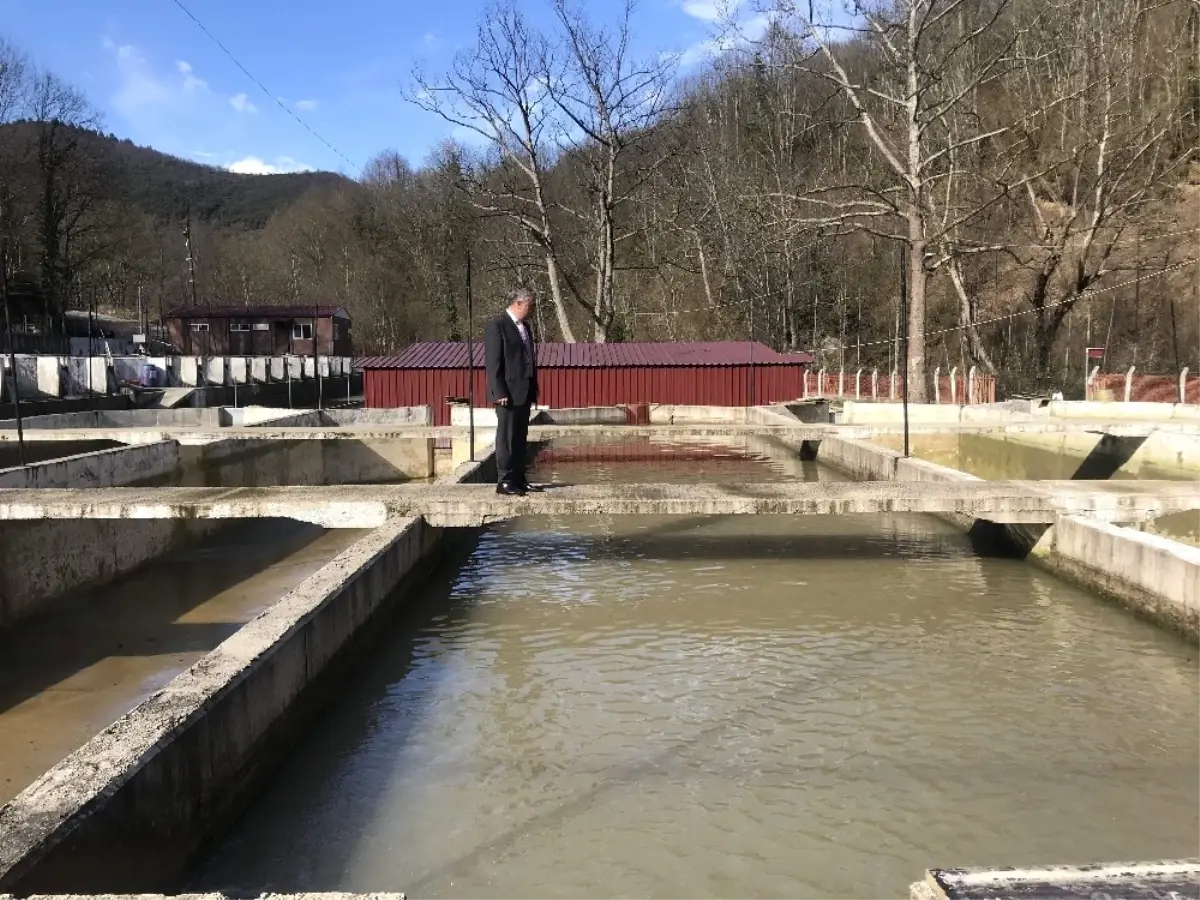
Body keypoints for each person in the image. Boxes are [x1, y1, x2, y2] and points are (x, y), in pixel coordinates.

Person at [484, 287, 540, 495]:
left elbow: (529, 360)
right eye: (529, 306)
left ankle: (518, 477)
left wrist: (533, 388)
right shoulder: (497, 326)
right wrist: (499, 391)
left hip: (524, 391)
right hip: (507, 392)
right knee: (506, 438)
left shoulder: (525, 327)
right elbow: (493, 362)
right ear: (518, 303)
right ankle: (505, 480)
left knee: (519, 437)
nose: (531, 310)